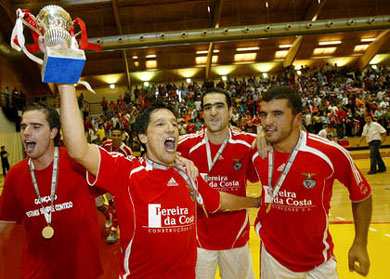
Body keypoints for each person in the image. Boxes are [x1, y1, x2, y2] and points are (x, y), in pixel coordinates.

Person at [57, 84, 261, 279]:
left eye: (174, 123)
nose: (171, 128)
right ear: (143, 137)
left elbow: (218, 201)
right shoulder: (127, 172)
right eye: (160, 124)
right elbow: (78, 150)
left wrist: (255, 202)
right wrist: (66, 83)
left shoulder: (187, 173)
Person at [253, 87, 372, 278]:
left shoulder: (329, 153)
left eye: (277, 114)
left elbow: (362, 195)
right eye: (264, 114)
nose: (268, 122)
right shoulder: (257, 151)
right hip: (273, 258)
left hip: (320, 260)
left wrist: (360, 242)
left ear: (298, 119)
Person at [0, 103, 103, 279]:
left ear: (53, 132)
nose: (26, 132)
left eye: (36, 127)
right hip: (38, 273)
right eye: (24, 127)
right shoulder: (15, 175)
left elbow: (113, 190)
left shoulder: (78, 162)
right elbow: (3, 221)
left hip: (84, 272)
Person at [178, 88, 258, 279]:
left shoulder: (249, 144)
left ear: (231, 111)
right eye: (208, 108)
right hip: (198, 240)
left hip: (236, 238)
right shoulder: (186, 145)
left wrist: (265, 138)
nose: (213, 112)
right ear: (202, 113)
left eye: (219, 106)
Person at [97, 128, 133, 244]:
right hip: (104, 178)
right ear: (110, 136)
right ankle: (107, 214)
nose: (116, 137)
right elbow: (99, 158)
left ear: (122, 137)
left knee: (116, 205)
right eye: (114, 135)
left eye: (118, 135)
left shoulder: (126, 150)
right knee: (97, 204)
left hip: (118, 181)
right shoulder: (105, 145)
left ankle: (113, 230)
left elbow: (129, 168)